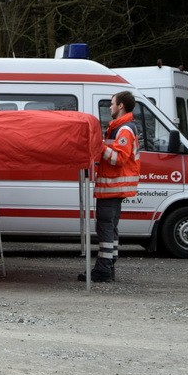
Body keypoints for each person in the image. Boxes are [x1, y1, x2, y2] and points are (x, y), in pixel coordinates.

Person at [80, 91, 140, 282]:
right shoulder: (120, 127)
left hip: (113, 188)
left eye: (112, 103)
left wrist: (99, 145)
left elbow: (119, 158)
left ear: (121, 106)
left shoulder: (124, 130)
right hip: (114, 188)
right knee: (111, 228)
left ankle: (103, 270)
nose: (110, 107)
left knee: (105, 228)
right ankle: (109, 265)